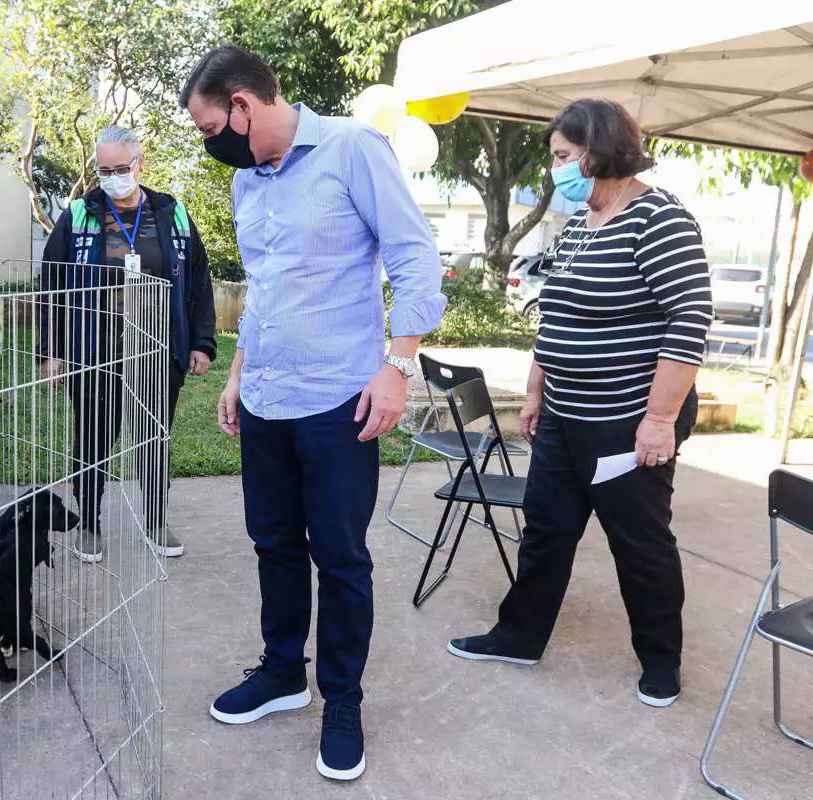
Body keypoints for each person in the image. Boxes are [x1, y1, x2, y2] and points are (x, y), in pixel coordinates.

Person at [180, 46, 445, 781]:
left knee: (341, 555)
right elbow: (265, 288)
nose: (211, 143)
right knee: (272, 541)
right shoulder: (246, 182)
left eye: (210, 127)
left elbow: (415, 260)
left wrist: (397, 367)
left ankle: (343, 700)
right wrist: (237, 374)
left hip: (339, 398)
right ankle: (280, 671)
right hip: (267, 396)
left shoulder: (353, 150)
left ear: (243, 105)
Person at [448, 98, 712, 709]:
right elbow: (556, 316)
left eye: (564, 157)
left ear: (597, 151)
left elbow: (689, 321)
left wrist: (660, 419)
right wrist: (537, 392)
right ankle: (518, 635)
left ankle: (661, 661)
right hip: (566, 415)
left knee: (639, 543)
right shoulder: (575, 228)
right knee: (546, 531)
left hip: (628, 420)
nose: (556, 171)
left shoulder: (659, 218)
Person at [39, 126, 217, 563]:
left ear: (140, 163)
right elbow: (51, 285)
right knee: (94, 440)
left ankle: (155, 519)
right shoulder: (79, 214)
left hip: (158, 350)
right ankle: (91, 524)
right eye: (105, 170)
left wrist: (202, 342)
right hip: (95, 349)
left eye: (121, 168)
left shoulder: (171, 214)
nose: (114, 177)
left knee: (154, 437)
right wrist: (51, 350)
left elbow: (199, 280)